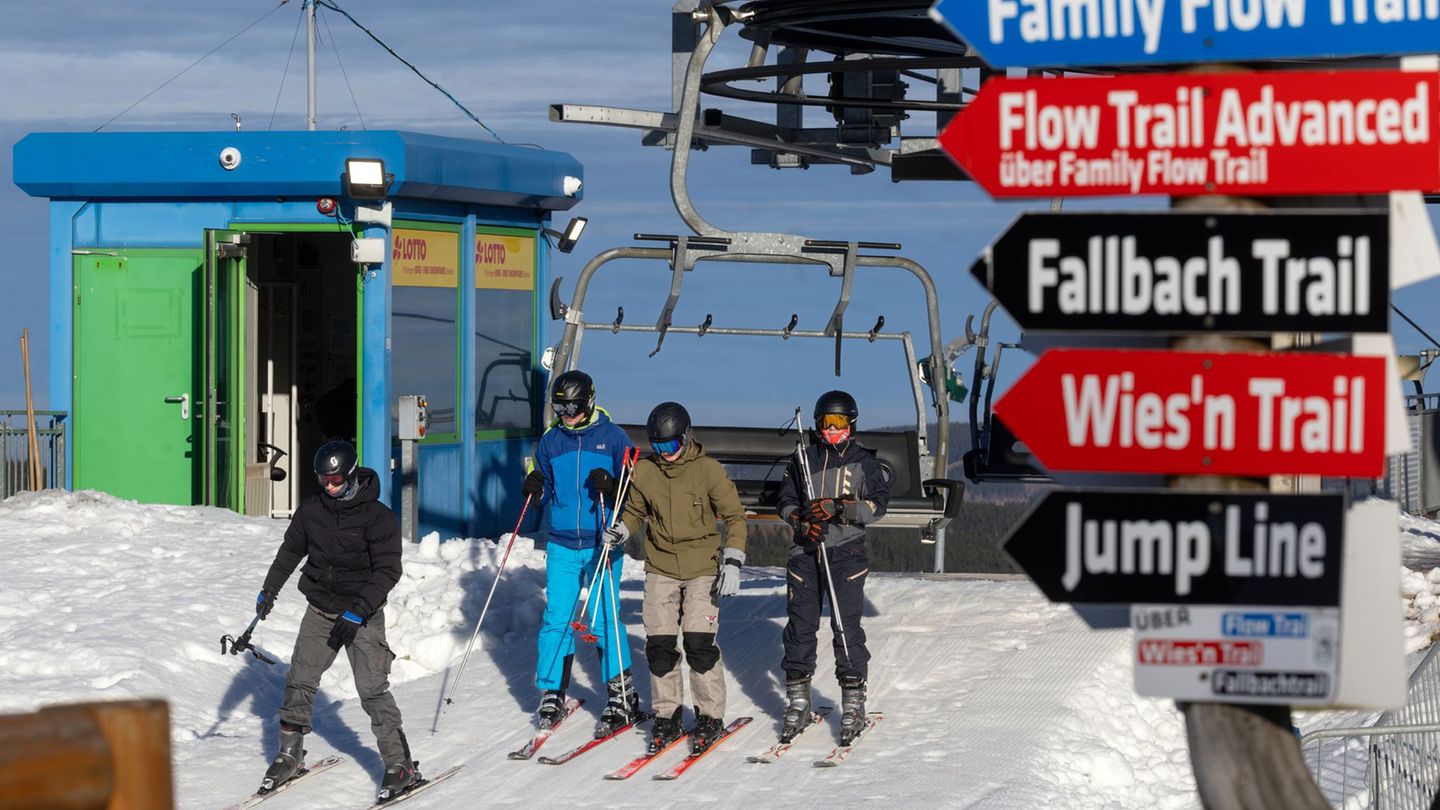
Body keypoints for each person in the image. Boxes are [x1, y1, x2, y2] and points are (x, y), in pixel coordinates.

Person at [252, 440, 416, 803]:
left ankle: (399, 763)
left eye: (336, 479)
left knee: (372, 689)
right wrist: (269, 589)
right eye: (322, 479)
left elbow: (388, 570)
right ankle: (290, 753)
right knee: (300, 679)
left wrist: (358, 610)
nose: (328, 485)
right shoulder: (312, 510)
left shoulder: (377, 517)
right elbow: (291, 550)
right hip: (321, 609)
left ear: (352, 474)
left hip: (362, 615)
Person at [606, 401, 747, 756]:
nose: (665, 453)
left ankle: (710, 716)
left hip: (702, 565)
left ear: (686, 437)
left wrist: (733, 560)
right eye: (658, 446)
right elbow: (634, 511)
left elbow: (735, 517)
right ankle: (667, 716)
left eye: (671, 444)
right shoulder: (646, 471)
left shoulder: (708, 470)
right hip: (661, 565)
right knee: (660, 646)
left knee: (699, 643)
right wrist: (622, 529)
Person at [521, 369, 641, 738]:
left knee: (604, 619)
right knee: (556, 619)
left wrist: (614, 484)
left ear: (588, 401)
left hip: (601, 542)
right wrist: (534, 486)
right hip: (561, 543)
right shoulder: (551, 440)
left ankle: (622, 694)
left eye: (573, 407)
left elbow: (635, 489)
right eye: (560, 408)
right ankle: (552, 692)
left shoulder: (613, 437)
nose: (567, 415)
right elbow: (543, 484)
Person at [776, 390, 891, 746]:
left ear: (851, 424)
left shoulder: (864, 462)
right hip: (806, 551)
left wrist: (841, 508)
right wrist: (800, 522)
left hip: (846, 551)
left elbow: (877, 505)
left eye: (839, 423)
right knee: (800, 625)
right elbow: (785, 500)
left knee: (845, 625)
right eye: (827, 423)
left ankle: (853, 702)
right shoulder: (803, 459)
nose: (832, 430)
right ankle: (798, 700)